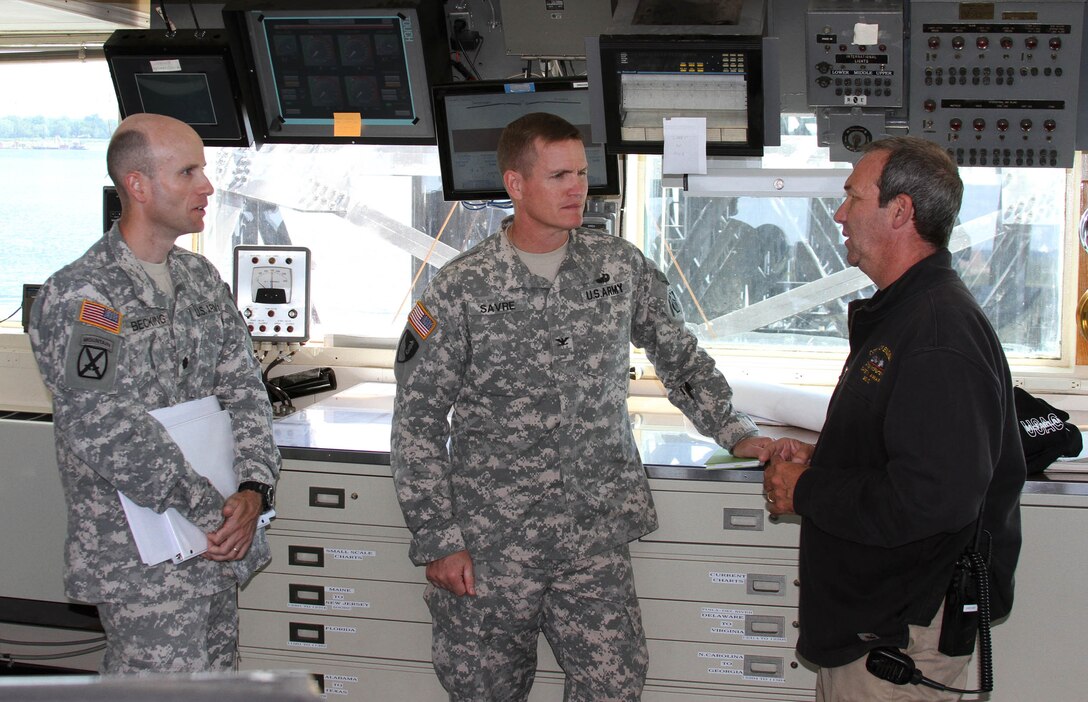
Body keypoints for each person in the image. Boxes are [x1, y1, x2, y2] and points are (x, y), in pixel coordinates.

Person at [390, 112, 801, 701]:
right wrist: (438, 537)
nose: (578, 188)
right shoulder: (461, 288)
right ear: (516, 184)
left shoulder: (617, 266)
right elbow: (417, 424)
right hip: (491, 543)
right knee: (484, 691)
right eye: (559, 175)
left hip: (592, 534)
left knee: (615, 685)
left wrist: (735, 431)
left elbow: (680, 359)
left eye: (582, 173)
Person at [762, 137, 1025, 700]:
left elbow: (931, 499)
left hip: (899, 638)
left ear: (900, 211)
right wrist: (828, 459)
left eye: (853, 197)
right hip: (873, 625)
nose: (839, 214)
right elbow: (903, 452)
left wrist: (808, 489)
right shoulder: (906, 313)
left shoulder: (936, 335)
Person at [29, 113, 280, 674]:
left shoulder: (200, 279)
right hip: (142, 560)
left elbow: (244, 390)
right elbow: (102, 425)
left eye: (205, 170)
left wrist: (254, 487)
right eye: (188, 171)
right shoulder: (85, 296)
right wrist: (213, 510)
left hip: (215, 543)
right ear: (138, 186)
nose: (207, 186)